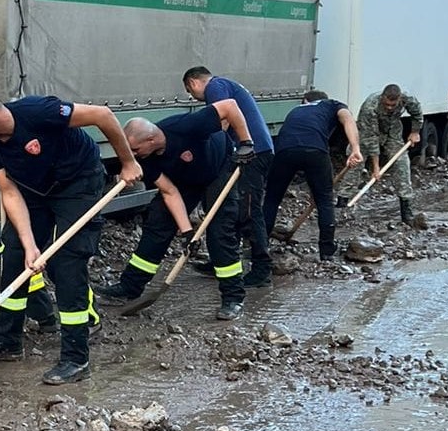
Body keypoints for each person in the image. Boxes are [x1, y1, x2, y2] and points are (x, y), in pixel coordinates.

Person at [0, 84, 143, 385]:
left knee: (67, 262)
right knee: (14, 253)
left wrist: (128, 161)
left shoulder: (38, 112)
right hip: (35, 191)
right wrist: (30, 246)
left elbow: (102, 115)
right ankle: (8, 341)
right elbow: (9, 192)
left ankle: (75, 358)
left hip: (78, 182)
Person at [98, 96, 255, 321]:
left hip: (218, 170)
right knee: (158, 224)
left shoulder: (187, 126)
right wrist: (187, 232)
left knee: (220, 234)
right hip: (184, 181)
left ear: (151, 139)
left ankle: (233, 297)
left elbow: (229, 105)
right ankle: (129, 288)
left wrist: (246, 143)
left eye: (134, 149)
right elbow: (170, 191)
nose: (131, 155)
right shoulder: (146, 159)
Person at [182, 67, 274, 288]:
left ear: (194, 83)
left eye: (189, 91)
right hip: (248, 152)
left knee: (249, 212)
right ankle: (223, 260)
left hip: (252, 153)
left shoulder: (216, 86)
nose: (192, 96)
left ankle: (261, 270)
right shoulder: (226, 85)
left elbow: (221, 120)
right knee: (232, 209)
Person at [259, 91, 364, 273]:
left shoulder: (296, 110)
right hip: (315, 150)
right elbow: (348, 119)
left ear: (305, 101)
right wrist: (355, 148)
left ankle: (259, 247)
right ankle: (326, 252)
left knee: (272, 199)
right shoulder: (331, 104)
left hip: (284, 151)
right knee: (324, 200)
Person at [353, 84, 424, 219]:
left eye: (393, 105)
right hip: (368, 133)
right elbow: (371, 139)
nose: (390, 108)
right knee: (355, 162)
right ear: (382, 98)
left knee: (402, 165)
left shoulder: (407, 99)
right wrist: (376, 168)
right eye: (387, 104)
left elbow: (417, 113)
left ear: (399, 99)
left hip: (393, 132)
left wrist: (415, 132)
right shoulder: (370, 107)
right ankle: (343, 203)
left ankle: (406, 211)